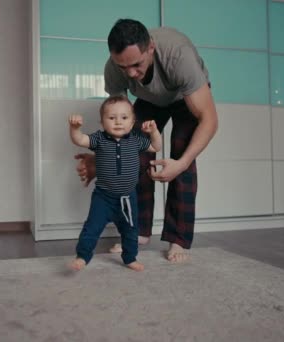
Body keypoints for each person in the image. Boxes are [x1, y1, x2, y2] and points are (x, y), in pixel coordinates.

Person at [75, 19, 219, 263]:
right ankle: (139, 231)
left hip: (185, 97)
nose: (131, 73)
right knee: (136, 152)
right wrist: (102, 160)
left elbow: (209, 120)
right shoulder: (113, 68)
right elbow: (118, 128)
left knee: (180, 156)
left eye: (136, 64)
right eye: (123, 67)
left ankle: (179, 238)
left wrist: (181, 164)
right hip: (150, 100)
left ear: (150, 48)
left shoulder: (178, 56)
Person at [68, 95, 162, 271]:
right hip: (103, 198)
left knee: (131, 230)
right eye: (112, 118)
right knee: (92, 228)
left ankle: (130, 258)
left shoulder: (136, 140)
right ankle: (82, 256)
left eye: (124, 118)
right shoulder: (99, 139)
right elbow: (80, 140)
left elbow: (156, 147)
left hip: (128, 198)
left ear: (133, 121)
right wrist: (74, 128)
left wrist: (154, 132)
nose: (118, 122)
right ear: (102, 122)